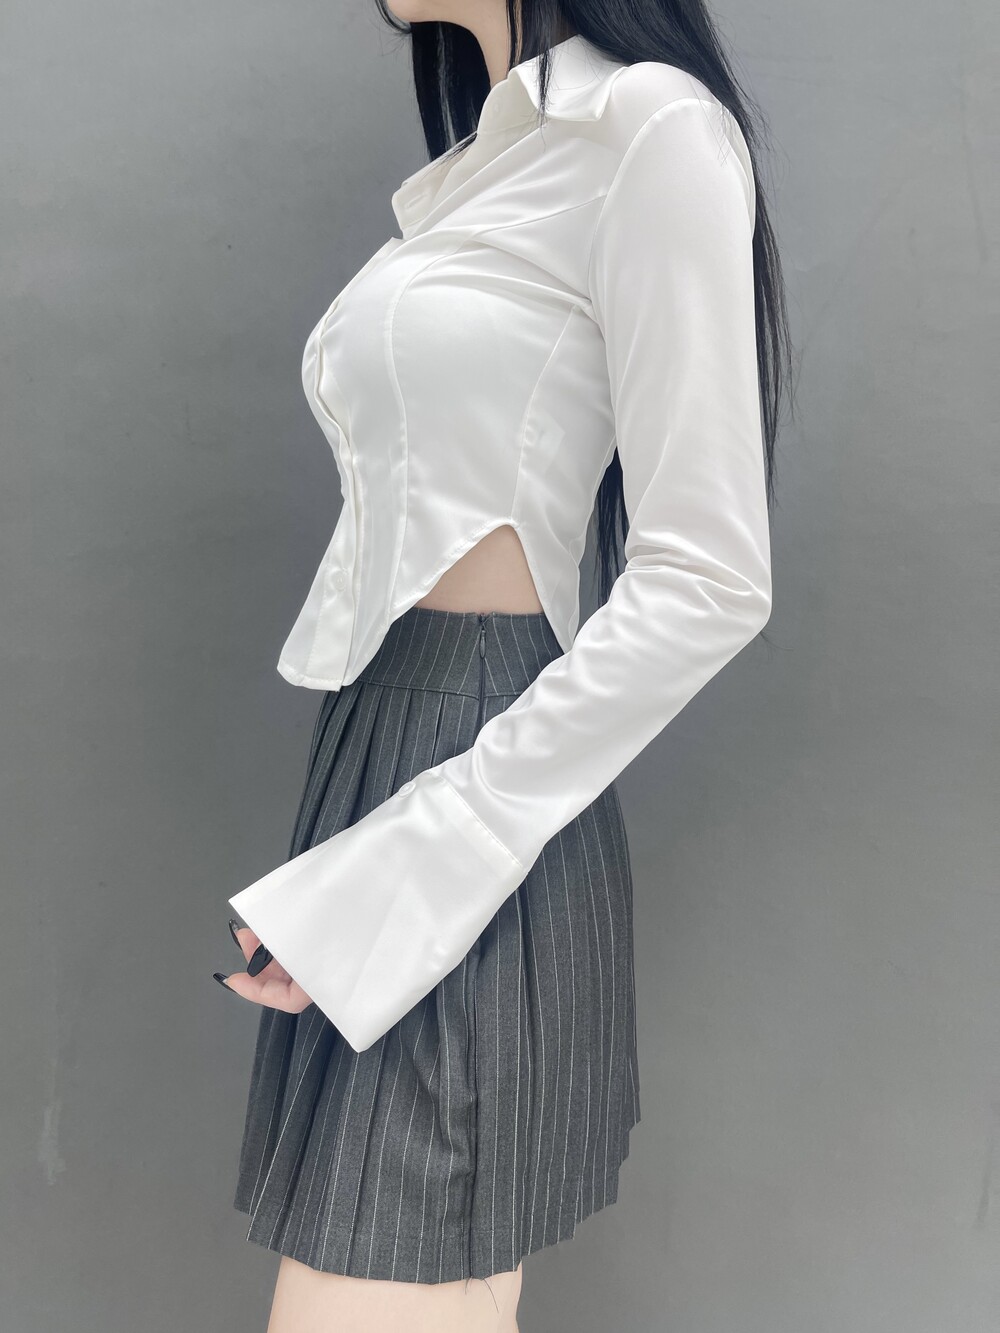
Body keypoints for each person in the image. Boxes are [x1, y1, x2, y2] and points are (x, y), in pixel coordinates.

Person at [214, 1, 792, 1327]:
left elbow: (709, 575)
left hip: (479, 778)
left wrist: (406, 860)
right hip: (384, 751)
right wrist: (348, 863)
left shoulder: (650, 129)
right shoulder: (494, 159)